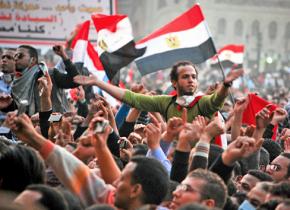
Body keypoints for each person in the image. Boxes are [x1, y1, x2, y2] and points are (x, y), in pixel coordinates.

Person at [73, 60, 243, 122]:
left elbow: (216, 101)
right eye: (185, 77)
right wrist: (97, 82)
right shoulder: (166, 102)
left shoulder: (203, 103)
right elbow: (131, 98)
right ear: (174, 82)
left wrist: (226, 85)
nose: (191, 80)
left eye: (193, 76)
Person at [0, 45, 80, 115]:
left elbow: (74, 81)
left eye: (20, 56)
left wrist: (63, 56)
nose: (16, 59)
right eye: (15, 56)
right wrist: (6, 106)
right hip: (32, 127)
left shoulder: (49, 75)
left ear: (33, 60)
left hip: (55, 123)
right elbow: (22, 107)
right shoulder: (16, 83)